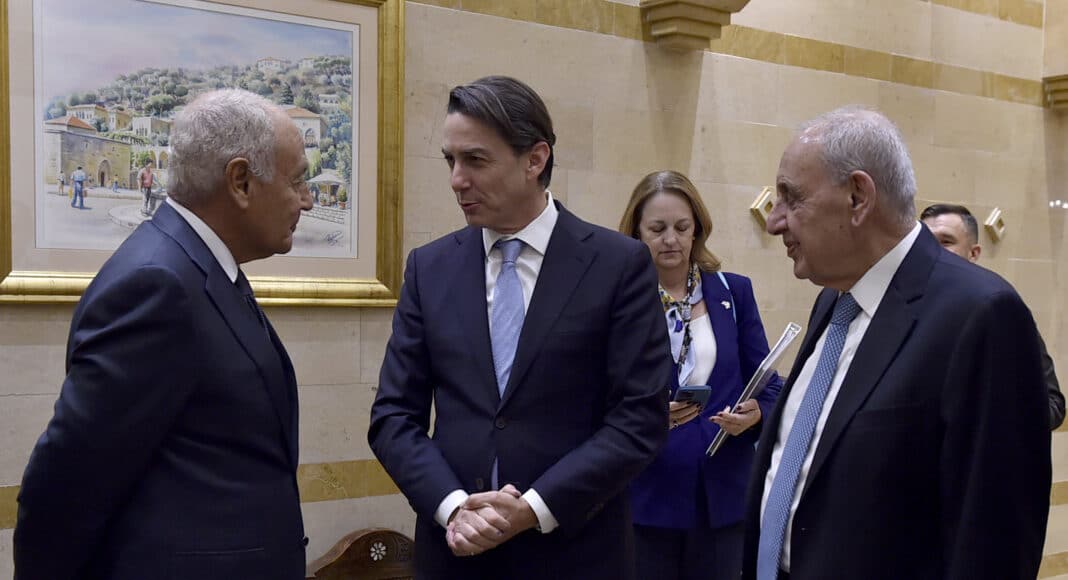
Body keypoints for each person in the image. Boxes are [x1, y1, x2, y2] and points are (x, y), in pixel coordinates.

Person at [368, 76, 672, 580]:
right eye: (450, 160)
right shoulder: (430, 268)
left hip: (574, 554)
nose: (457, 180)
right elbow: (393, 417)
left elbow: (638, 419)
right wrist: (453, 507)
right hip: (455, 555)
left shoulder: (617, 265)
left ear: (535, 159)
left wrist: (533, 507)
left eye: (475, 160)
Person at [14, 89, 314, 580]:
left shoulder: (201, 267)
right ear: (240, 181)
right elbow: (63, 491)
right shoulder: (158, 284)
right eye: (297, 180)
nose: (306, 199)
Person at [743, 106, 1050, 580]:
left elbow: (993, 542)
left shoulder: (980, 315)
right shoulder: (834, 301)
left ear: (858, 197)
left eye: (792, 197)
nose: (775, 221)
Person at [620, 170, 783, 580]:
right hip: (646, 495)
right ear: (637, 232)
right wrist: (647, 415)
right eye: (657, 229)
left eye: (681, 227)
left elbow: (770, 387)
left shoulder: (734, 292)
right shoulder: (620, 299)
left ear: (697, 229)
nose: (670, 240)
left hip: (722, 496)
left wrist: (756, 415)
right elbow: (597, 394)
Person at [921, 203, 1065, 430]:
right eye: (926, 242)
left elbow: (1053, 406)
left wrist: (988, 412)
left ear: (974, 253)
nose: (933, 251)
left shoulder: (1000, 308)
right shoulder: (898, 306)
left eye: (946, 242)